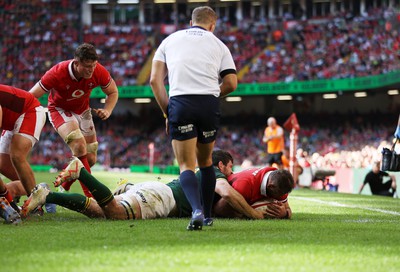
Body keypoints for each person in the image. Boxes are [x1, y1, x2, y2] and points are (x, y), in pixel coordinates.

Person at [149, 6, 237, 230]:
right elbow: (231, 83)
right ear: (212, 26)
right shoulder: (219, 44)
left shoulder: (170, 40)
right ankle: (207, 215)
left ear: (190, 22)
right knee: (206, 162)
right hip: (208, 103)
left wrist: (167, 111)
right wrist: (213, 93)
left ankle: (195, 209)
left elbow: (154, 81)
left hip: (181, 102)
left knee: (186, 165)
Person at [22, 151, 288, 222]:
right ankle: (81, 172)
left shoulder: (207, 171)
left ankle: (48, 195)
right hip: (163, 198)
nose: (233, 173)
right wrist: (253, 214)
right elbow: (228, 193)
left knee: (99, 212)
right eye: (231, 167)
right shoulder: (215, 172)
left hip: (158, 192)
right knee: (115, 214)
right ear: (222, 163)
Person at [29, 43, 119, 197]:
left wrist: (108, 110)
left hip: (83, 111)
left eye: (94, 65)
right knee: (78, 145)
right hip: (59, 109)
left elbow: (113, 92)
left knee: (90, 159)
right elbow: (31, 95)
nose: (91, 70)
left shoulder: (98, 71)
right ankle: (92, 197)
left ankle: (64, 185)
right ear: (76, 63)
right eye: (87, 66)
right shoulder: (57, 73)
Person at [0, 84, 47, 224]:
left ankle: (36, 205)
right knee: (2, 165)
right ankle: (43, 193)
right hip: (10, 121)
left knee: (17, 155)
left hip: (29, 110)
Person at [214, 166, 294, 219]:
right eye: (280, 194)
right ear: (271, 186)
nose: (281, 196)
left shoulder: (278, 180)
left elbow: (288, 209)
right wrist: (250, 213)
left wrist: (285, 214)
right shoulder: (244, 186)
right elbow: (218, 209)